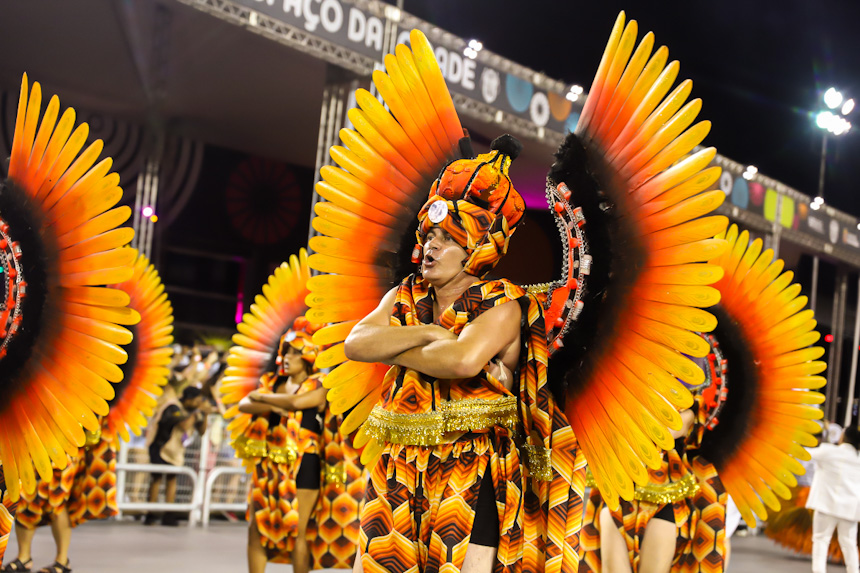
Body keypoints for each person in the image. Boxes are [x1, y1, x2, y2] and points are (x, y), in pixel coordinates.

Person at [344, 136, 584, 572]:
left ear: (476, 248)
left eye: (446, 238)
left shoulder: (505, 302)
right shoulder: (406, 293)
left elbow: (461, 362)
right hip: (398, 463)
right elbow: (356, 343)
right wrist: (431, 332)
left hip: (471, 469)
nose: (430, 247)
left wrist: (399, 343)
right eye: (428, 235)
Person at [237, 318, 361, 573]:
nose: (286, 357)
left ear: (308, 355)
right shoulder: (271, 381)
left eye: (294, 352)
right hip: (267, 463)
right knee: (256, 526)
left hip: (305, 463)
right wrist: (274, 402)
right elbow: (244, 405)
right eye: (285, 352)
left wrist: (264, 399)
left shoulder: (319, 384)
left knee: (299, 529)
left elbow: (298, 403)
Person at [2, 421, 117, 573]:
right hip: (35, 439)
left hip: (66, 442)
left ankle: (62, 560)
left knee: (58, 499)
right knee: (25, 498)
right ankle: (24, 557)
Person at [144, 385, 208, 526]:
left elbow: (202, 432)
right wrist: (197, 414)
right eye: (197, 401)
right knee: (157, 479)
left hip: (175, 451)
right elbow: (183, 425)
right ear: (189, 399)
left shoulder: (193, 411)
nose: (198, 404)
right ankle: (150, 514)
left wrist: (205, 415)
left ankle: (169, 514)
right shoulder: (173, 407)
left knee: (172, 480)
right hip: (160, 448)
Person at [806, 425, 860, 573]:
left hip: (826, 505)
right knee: (849, 545)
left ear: (844, 437)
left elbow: (805, 454)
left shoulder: (828, 451)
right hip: (850, 509)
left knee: (820, 541)